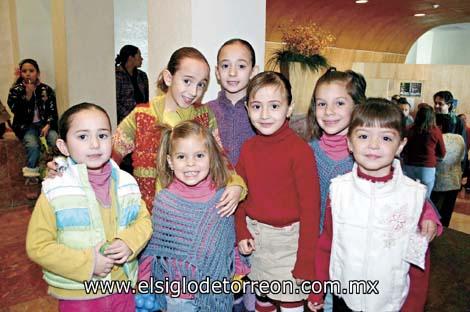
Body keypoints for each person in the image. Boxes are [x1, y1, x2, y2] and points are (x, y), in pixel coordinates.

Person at [308, 99, 442, 312]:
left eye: (386, 137)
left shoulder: (413, 198)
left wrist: (413, 307)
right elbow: (327, 243)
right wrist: (317, 288)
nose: (373, 145)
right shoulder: (339, 190)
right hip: (345, 297)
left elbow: (418, 262)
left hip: (390, 302)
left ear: (400, 145)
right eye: (363, 136)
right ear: (349, 143)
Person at [26, 103, 152, 311]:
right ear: (63, 146)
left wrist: (130, 242)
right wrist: (89, 262)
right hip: (79, 294)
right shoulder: (56, 190)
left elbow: (144, 221)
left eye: (102, 135)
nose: (95, 144)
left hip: (122, 288)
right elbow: (38, 246)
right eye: (83, 137)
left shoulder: (127, 183)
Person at [111, 47, 246, 213]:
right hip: (149, 217)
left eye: (201, 84)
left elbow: (220, 157)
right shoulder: (142, 115)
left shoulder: (204, 115)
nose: (194, 92)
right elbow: (110, 155)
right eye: (187, 81)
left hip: (193, 214)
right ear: (169, 78)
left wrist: (235, 184)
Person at [236, 71, 320, 311]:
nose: (264, 115)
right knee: (262, 298)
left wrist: (305, 262)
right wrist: (241, 231)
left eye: (274, 106)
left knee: (290, 302)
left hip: (290, 243)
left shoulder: (300, 151)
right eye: (256, 106)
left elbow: (311, 211)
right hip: (256, 239)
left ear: (289, 108)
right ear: (247, 108)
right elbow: (239, 193)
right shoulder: (248, 149)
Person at [141, 120, 236, 311]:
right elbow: (154, 249)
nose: (190, 163)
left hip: (213, 289)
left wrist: (238, 263)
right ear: (170, 162)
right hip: (178, 293)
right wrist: (144, 282)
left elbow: (227, 242)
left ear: (211, 157)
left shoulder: (222, 196)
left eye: (199, 155)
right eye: (182, 156)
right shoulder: (165, 202)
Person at [207, 38, 258, 165]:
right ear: (217, 72)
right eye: (225, 66)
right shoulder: (205, 111)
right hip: (215, 183)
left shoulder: (261, 112)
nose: (232, 73)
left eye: (241, 66)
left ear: (253, 71)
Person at [7, 58, 58, 178]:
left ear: (38, 73)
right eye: (24, 71)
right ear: (21, 74)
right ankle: (31, 175)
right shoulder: (15, 91)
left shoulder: (46, 90)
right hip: (25, 126)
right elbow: (16, 111)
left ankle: (59, 168)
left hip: (44, 124)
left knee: (55, 139)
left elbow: (52, 110)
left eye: (31, 70)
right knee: (33, 145)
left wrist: (48, 124)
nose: (28, 73)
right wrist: (28, 96)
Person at [403, 104, 446, 198]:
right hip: (427, 168)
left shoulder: (409, 129)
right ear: (432, 117)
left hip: (409, 166)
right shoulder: (435, 131)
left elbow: (403, 148)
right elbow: (442, 152)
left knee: (409, 198)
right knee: (425, 200)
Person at [431, 114, 465, 226]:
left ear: (439, 126)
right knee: (447, 212)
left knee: (434, 212)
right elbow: (462, 157)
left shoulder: (437, 137)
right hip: (455, 180)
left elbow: (435, 158)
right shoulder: (460, 138)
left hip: (439, 180)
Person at [115, 45, 149, 124]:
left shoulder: (142, 75)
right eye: (139, 56)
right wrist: (131, 116)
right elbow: (115, 102)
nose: (142, 59)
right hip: (124, 122)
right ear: (131, 58)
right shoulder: (117, 75)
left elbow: (146, 99)